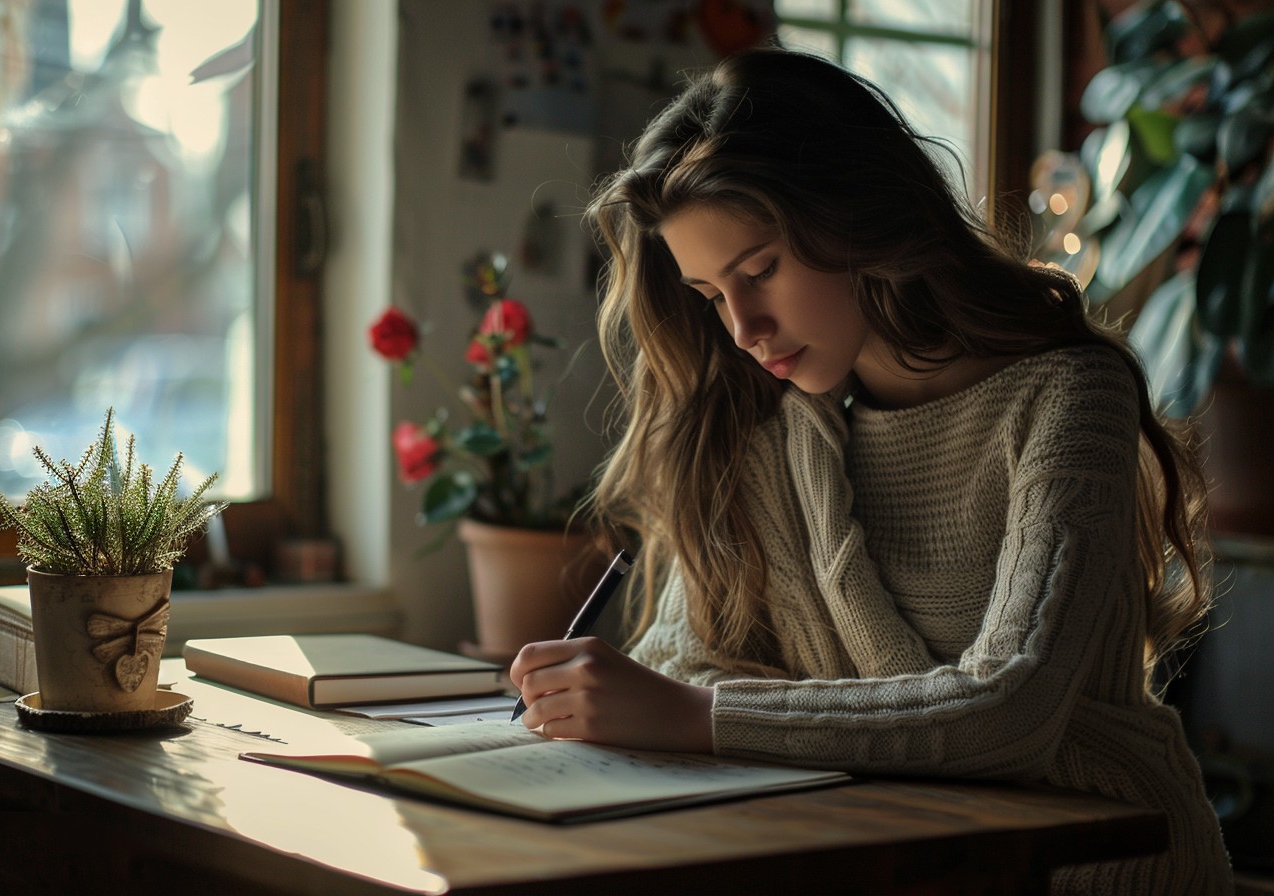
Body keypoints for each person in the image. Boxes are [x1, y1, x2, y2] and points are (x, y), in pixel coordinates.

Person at [506, 48, 1232, 894]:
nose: (742, 326)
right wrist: (690, 700)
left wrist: (703, 717)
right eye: (710, 295)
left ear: (854, 214)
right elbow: (682, 660)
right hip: (887, 851)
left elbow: (1010, 713)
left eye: (760, 270)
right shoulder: (770, 433)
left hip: (1096, 865)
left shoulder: (1068, 397)